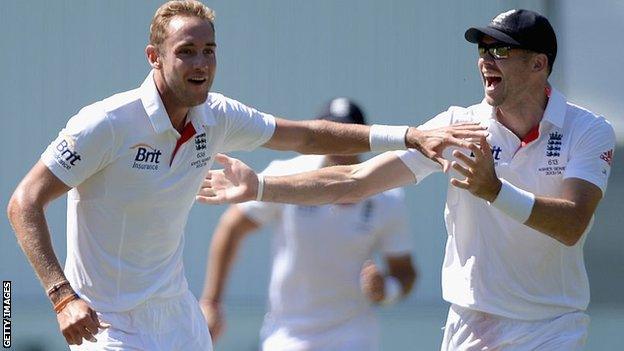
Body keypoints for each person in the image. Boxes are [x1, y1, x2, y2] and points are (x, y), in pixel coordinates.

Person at [5, 1, 484, 350]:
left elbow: (309, 136)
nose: (201, 64)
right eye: (186, 51)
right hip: (106, 326)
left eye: (209, 51)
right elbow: (24, 201)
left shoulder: (217, 116)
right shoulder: (106, 123)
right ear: (154, 57)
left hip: (178, 319)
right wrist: (61, 295)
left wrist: (408, 135)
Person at [197, 9, 616, 350]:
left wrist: (495, 191)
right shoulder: (458, 125)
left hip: (551, 326)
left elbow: (572, 223)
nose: (486, 59)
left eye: (501, 50)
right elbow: (355, 179)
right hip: (470, 324)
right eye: (483, 49)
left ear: (539, 64)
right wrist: (260, 188)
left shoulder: (587, 129)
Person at [200, 98, 417, 351]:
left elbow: (405, 272)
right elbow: (232, 228)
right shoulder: (290, 175)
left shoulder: (388, 197)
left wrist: (386, 290)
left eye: (349, 135)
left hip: (353, 336)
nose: (341, 145)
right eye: (333, 135)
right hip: (287, 335)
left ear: (363, 138)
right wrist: (211, 302)